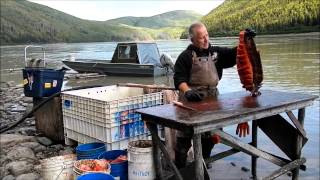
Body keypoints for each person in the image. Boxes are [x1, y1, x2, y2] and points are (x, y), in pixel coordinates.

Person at [173, 22, 249, 168]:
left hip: (213, 100)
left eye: (207, 35)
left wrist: (245, 40)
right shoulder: (185, 56)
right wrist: (187, 91)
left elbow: (235, 54)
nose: (206, 39)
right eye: (202, 37)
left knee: (212, 136)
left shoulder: (215, 53)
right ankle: (180, 170)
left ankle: (203, 163)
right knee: (184, 138)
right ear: (192, 39)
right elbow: (178, 78)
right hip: (190, 102)